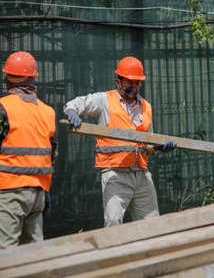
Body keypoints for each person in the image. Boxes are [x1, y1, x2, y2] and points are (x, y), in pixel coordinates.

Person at [64, 56, 176, 227]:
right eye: (130, 82)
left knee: (152, 224)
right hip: (115, 175)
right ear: (118, 81)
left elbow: (148, 142)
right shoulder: (104, 101)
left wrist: (159, 147)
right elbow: (77, 103)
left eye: (137, 82)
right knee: (114, 223)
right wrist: (72, 111)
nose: (134, 86)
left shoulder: (146, 106)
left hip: (141, 174)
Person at [0, 52, 56, 249]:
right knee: (33, 250)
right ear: (33, 78)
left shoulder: (3, 108)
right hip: (38, 193)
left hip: (9, 191)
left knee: (6, 250)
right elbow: (52, 153)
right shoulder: (47, 111)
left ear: (7, 79)